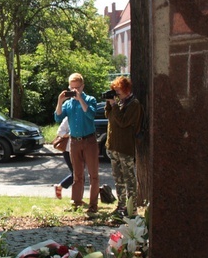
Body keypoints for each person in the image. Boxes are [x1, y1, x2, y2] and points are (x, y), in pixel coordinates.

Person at [54, 73, 99, 215]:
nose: (74, 91)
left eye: (77, 88)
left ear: (82, 86)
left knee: (93, 175)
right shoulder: (68, 103)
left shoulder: (90, 99)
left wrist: (80, 99)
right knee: (77, 175)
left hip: (89, 140)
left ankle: (93, 204)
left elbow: (91, 114)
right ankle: (77, 202)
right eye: (71, 88)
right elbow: (58, 117)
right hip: (74, 142)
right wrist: (60, 101)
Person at [105, 76, 143, 216]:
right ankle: (120, 206)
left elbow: (123, 122)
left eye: (118, 91)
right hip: (113, 146)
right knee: (118, 178)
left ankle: (131, 208)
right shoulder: (119, 103)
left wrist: (114, 105)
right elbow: (109, 116)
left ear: (127, 90)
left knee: (129, 179)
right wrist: (109, 104)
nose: (116, 94)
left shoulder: (134, 104)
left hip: (125, 147)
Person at [54, 117, 73, 200]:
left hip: (79, 149)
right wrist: (70, 134)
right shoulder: (67, 119)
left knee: (79, 174)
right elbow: (60, 132)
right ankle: (59, 187)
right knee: (77, 174)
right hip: (68, 150)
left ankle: (77, 198)